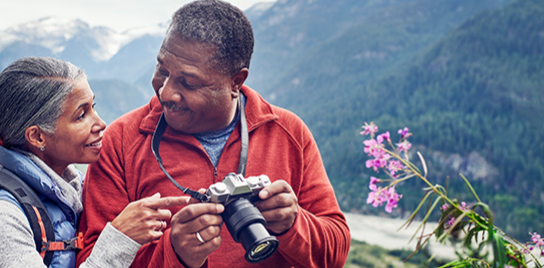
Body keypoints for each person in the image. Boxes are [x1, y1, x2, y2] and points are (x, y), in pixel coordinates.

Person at [76, 1, 350, 267]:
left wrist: (293, 224)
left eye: (189, 82)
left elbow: (335, 254)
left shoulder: (288, 132)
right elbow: (91, 260)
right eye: (162, 69)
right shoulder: (121, 141)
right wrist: (175, 254)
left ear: (236, 82)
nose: (166, 92)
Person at [0, 56, 190, 268]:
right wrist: (120, 238)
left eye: (93, 107)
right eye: (81, 115)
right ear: (37, 136)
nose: (101, 123)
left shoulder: (74, 192)